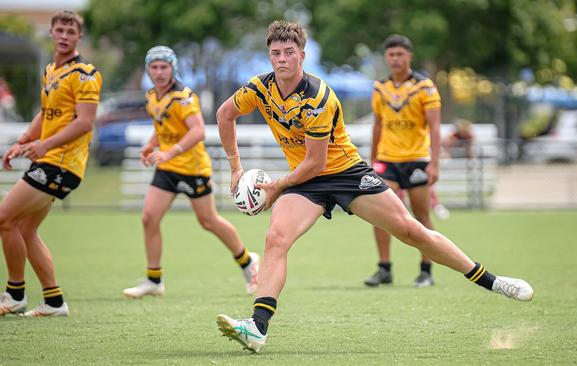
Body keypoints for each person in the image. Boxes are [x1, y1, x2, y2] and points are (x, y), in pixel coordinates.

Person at [214, 20, 533, 354]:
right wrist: (237, 167)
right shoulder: (258, 88)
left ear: (302, 56)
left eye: (288, 52)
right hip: (306, 181)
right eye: (275, 53)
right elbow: (225, 115)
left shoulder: (318, 98)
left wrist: (277, 186)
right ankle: (257, 328)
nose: (281, 59)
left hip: (344, 173)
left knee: (412, 231)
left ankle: (492, 281)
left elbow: (316, 163)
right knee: (275, 238)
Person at [122, 46, 259, 298]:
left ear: (173, 68)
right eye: (154, 67)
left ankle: (248, 263)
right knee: (148, 218)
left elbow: (198, 131)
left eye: (164, 67)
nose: (159, 72)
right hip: (167, 169)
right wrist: (151, 145)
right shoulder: (152, 96)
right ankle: (154, 279)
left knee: (209, 221)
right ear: (148, 70)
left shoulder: (184, 97)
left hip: (192, 169)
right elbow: (162, 126)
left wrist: (168, 152)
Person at [0, 10, 102, 317]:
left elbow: (85, 123)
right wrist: (22, 141)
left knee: (4, 218)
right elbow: (46, 115)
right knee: (25, 228)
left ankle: (14, 294)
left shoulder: (85, 74)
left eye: (71, 31)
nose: (64, 35)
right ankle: (54, 301)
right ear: (51, 32)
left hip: (63, 163)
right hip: (48, 159)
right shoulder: (51, 71)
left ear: (79, 37)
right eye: (60, 30)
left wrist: (42, 145)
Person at [364, 34, 442, 289]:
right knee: (379, 213)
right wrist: (372, 159)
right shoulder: (380, 87)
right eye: (391, 55)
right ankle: (384, 268)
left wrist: (435, 163)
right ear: (386, 57)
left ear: (409, 56)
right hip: (387, 159)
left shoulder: (425, 87)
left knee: (421, 215)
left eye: (400, 54)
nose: (396, 59)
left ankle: (426, 270)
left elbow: (435, 127)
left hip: (417, 159)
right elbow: (377, 125)